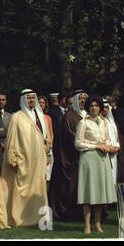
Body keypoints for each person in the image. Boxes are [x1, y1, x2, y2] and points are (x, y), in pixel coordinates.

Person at [0, 89, 52, 227]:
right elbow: (12, 140)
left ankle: (38, 219)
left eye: (32, 98)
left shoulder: (40, 116)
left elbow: (45, 137)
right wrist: (13, 159)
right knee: (22, 189)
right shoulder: (17, 117)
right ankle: (20, 219)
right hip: (24, 160)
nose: (31, 100)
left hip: (39, 159)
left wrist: (47, 154)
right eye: (28, 98)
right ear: (24, 100)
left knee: (38, 188)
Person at [74, 96, 116, 234]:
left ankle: (97, 224)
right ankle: (86, 225)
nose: (94, 108)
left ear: (100, 108)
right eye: (91, 106)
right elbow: (78, 143)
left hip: (102, 159)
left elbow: (108, 139)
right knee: (88, 192)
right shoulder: (83, 123)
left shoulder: (104, 122)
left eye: (96, 106)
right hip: (89, 159)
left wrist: (108, 147)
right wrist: (96, 146)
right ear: (88, 108)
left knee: (99, 193)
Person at [47, 90, 87, 221]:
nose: (82, 100)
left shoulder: (87, 115)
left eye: (84, 98)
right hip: (70, 158)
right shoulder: (69, 116)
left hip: (85, 156)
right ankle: (68, 214)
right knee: (69, 186)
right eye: (80, 98)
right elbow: (71, 137)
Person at [101, 98, 123, 184]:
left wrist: (117, 146)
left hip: (115, 153)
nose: (104, 110)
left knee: (114, 177)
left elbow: (116, 136)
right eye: (102, 108)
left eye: (106, 107)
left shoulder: (112, 121)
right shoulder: (99, 121)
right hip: (105, 153)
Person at [38, 95, 54, 181]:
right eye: (39, 102)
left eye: (43, 103)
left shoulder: (48, 118)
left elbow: (51, 133)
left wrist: (49, 145)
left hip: (46, 145)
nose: (41, 104)